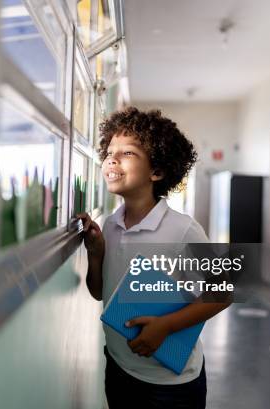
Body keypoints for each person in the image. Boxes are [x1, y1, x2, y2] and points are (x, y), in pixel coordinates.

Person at [77, 107, 232, 409]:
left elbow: (223, 292)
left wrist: (166, 326)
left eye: (128, 153)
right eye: (110, 152)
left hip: (170, 385)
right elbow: (100, 292)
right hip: (119, 366)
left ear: (157, 171)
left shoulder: (184, 229)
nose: (112, 158)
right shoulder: (110, 225)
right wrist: (95, 257)